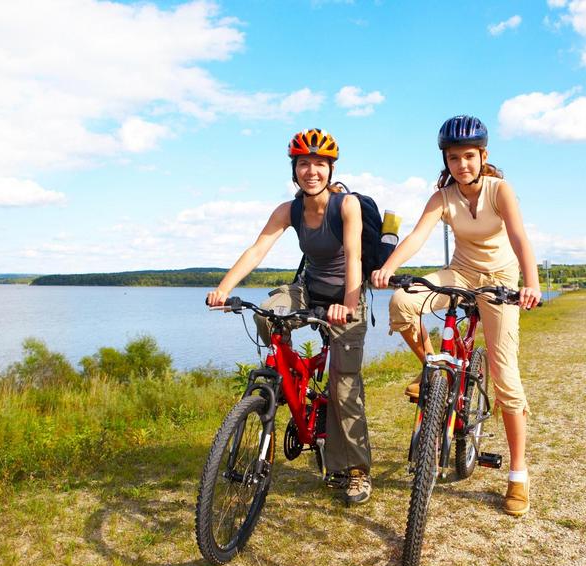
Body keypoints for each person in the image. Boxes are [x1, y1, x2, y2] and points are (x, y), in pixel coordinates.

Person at [371, 115, 541, 516]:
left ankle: (518, 475)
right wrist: (389, 268)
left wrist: (530, 283)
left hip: (500, 280)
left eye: (468, 156)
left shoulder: (501, 190)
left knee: (506, 378)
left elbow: (519, 237)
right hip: (460, 273)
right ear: (445, 161)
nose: (461, 165)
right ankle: (430, 364)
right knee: (403, 303)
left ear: (483, 156)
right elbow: (416, 235)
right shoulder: (443, 197)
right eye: (453, 158)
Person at [206, 129, 373, 505]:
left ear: (330, 169)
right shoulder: (290, 210)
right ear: (294, 169)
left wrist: (346, 305)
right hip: (309, 289)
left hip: (346, 295)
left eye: (319, 164)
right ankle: (289, 375)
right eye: (303, 164)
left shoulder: (345, 206)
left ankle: (357, 471)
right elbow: (257, 249)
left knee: (343, 387)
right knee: (266, 313)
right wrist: (224, 288)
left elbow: (354, 257)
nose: (311, 171)